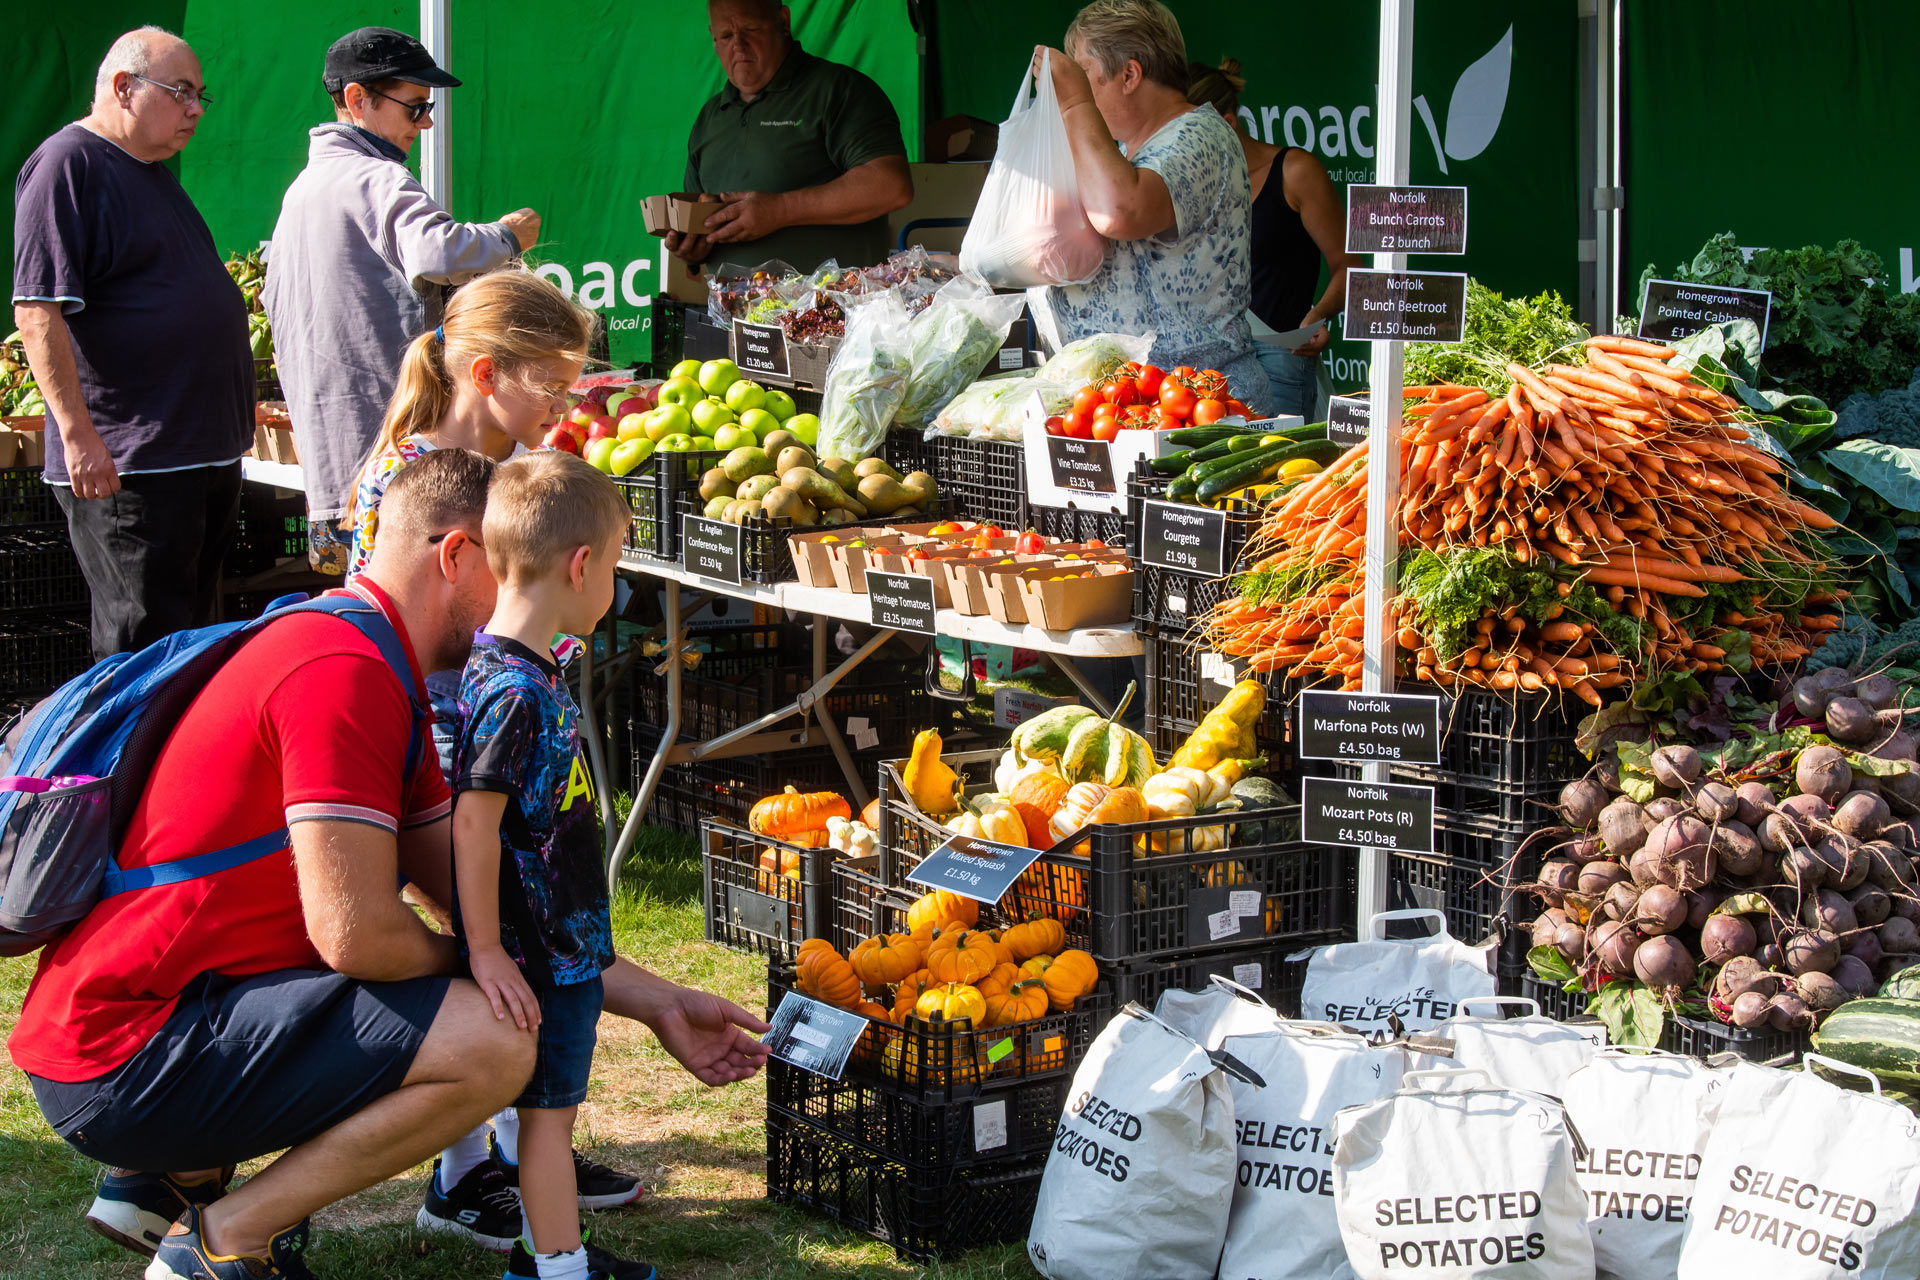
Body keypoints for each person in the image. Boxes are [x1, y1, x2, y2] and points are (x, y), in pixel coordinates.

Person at [10, 448, 769, 1280]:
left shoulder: (366, 655)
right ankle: (224, 1238)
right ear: (456, 556)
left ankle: (172, 1176)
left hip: (149, 1023)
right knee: (491, 1039)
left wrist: (657, 1002)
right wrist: (488, 970)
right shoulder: (343, 673)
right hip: (123, 1051)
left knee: (491, 1008)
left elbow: (494, 903)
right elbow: (359, 937)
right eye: (509, 567)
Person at [449, 452, 636, 1280]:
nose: (616, 586)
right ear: (582, 564)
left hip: (561, 950)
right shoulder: (514, 692)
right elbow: (474, 823)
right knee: (549, 1120)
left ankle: (551, 1250)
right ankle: (558, 1267)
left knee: (540, 1118)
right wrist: (488, 951)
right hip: (544, 960)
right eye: (620, 564)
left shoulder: (522, 670)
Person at [11, 26, 252, 660]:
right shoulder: (69, 165)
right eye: (181, 92)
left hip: (195, 457)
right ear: (124, 88)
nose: (196, 108)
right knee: (142, 655)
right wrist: (77, 434)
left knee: (190, 650)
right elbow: (38, 312)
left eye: (201, 95)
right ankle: (127, 764)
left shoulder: (150, 173)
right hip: (133, 468)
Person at [263, 25, 540, 576]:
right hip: (391, 463)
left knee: (367, 611)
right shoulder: (374, 177)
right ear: (357, 100)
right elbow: (439, 250)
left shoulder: (302, 190)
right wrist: (508, 237)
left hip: (336, 466)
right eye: (414, 108)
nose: (427, 123)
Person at [1030, 0, 1270, 411]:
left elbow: (1121, 211)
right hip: (1127, 407)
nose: (1076, 87)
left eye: (1083, 73)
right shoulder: (1124, 150)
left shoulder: (1199, 134)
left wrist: (1073, 104)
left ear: (1129, 74)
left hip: (1199, 409)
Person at [345, 267, 591, 583]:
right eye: (550, 389)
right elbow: (368, 603)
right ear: (486, 374)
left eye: (566, 390)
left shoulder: (542, 469)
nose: (562, 407)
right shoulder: (395, 474)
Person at [663, 0, 913, 272]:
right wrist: (692, 249)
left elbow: (892, 186)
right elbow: (699, 221)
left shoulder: (838, 90)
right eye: (725, 35)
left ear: (783, 22)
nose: (738, 44)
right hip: (731, 312)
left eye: (750, 29)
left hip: (834, 310)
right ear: (712, 36)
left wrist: (780, 210)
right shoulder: (710, 118)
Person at [1187, 58, 1357, 422]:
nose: (1183, 156)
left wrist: (1317, 316)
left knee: (1279, 472)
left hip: (1279, 356)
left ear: (1228, 125)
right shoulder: (1194, 185)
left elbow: (1350, 268)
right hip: (1208, 361)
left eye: (1191, 142)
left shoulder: (1295, 171)